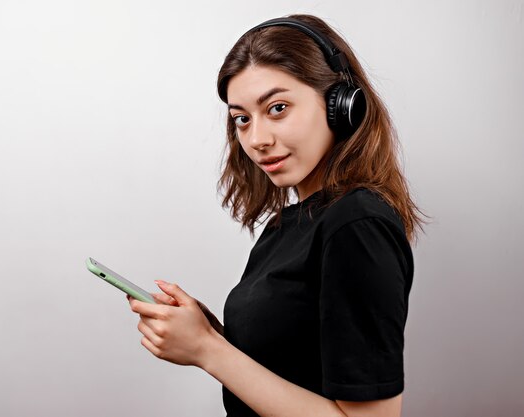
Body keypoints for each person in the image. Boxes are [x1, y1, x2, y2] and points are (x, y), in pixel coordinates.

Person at [126, 13, 426, 417]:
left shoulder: (356, 225)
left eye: (278, 108)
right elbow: (290, 364)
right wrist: (207, 333)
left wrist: (208, 350)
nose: (257, 139)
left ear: (340, 105)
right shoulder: (289, 225)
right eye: (242, 119)